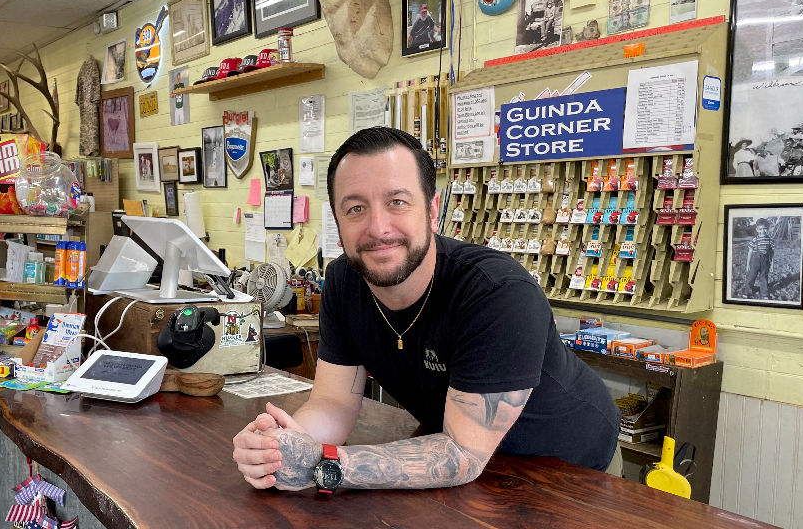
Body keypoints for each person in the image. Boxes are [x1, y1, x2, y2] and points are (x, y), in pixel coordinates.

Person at [231, 127, 620, 493]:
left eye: (397, 202)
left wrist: (324, 465)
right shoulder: (344, 282)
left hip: (569, 469)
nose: (378, 227)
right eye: (355, 208)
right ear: (337, 218)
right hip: (457, 462)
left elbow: (462, 454)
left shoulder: (496, 293)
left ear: (432, 209)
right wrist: (282, 447)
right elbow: (333, 403)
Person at [745, 218, 774, 299]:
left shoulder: (770, 240)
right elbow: (750, 252)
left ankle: (764, 293)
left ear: (768, 229)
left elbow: (772, 253)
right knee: (751, 276)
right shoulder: (755, 240)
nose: (763, 231)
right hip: (755, 261)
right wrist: (748, 264)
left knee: (764, 277)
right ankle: (748, 292)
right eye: (760, 229)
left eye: (765, 228)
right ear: (757, 230)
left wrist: (772, 264)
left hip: (765, 261)